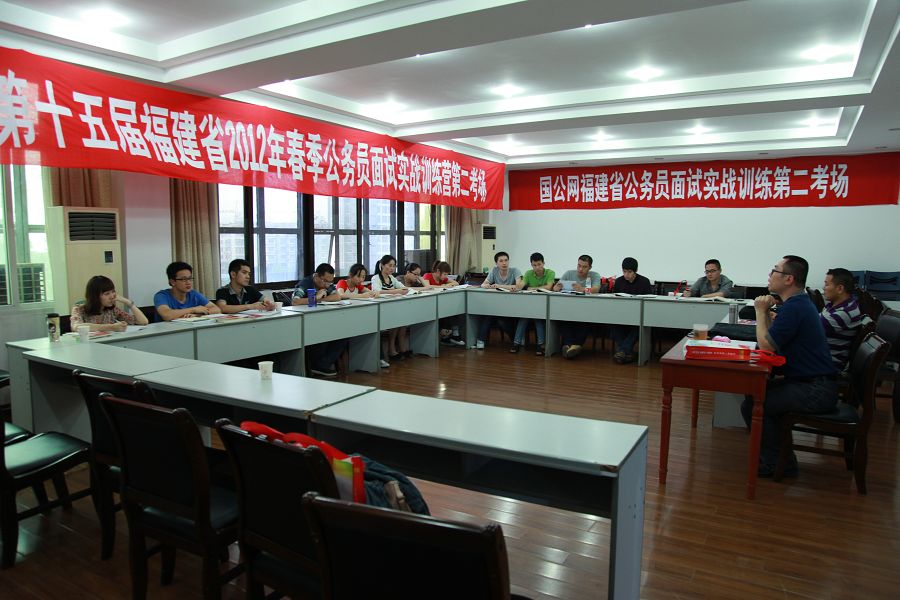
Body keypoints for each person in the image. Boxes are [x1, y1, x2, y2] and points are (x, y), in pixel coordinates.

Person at [742, 255, 838, 478]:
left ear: (789, 279)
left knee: (756, 405)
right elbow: (771, 341)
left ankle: (776, 463)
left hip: (815, 389)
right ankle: (781, 459)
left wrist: (759, 311)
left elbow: (766, 346)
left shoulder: (796, 307)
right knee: (754, 397)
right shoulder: (797, 304)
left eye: (774, 270)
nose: (770, 274)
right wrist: (767, 315)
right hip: (813, 383)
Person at [291, 263, 349, 377]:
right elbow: (295, 301)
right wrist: (315, 297)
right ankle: (319, 366)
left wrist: (320, 300)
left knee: (343, 335)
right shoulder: (305, 283)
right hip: (304, 323)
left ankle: (321, 365)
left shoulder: (327, 284)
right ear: (317, 276)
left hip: (320, 319)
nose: (327, 285)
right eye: (325, 281)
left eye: (330, 282)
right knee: (324, 334)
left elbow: (337, 296)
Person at [820, 267, 872, 371]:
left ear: (840, 288)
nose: (823, 287)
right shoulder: (834, 305)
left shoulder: (844, 314)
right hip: (820, 356)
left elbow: (807, 324)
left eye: (827, 284)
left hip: (826, 364)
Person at [553, 254, 602, 359]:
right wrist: (556, 287)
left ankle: (568, 346)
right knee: (561, 317)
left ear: (590, 267)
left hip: (586, 309)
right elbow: (555, 287)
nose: (580, 269)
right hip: (568, 308)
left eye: (584, 267)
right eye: (579, 266)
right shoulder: (568, 273)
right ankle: (573, 346)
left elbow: (596, 289)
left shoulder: (594, 275)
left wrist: (582, 289)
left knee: (585, 320)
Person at [611, 257, 653, 364]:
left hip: (638, 315)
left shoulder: (644, 281)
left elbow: (649, 302)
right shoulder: (619, 281)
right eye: (624, 271)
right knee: (613, 324)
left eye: (629, 272)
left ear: (635, 271)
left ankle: (623, 351)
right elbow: (614, 300)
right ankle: (627, 352)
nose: (626, 275)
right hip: (622, 314)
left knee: (639, 326)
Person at [511, 252, 555, 355]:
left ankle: (540, 345)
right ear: (531, 265)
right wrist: (516, 288)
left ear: (543, 263)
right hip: (530, 305)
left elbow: (549, 287)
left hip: (545, 306)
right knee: (523, 318)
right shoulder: (528, 273)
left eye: (539, 264)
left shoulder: (550, 273)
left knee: (537, 319)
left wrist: (531, 288)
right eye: (534, 265)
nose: (537, 267)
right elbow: (521, 285)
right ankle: (516, 344)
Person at [475, 252, 521, 349]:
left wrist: (499, 285)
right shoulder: (494, 270)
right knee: (488, 315)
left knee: (501, 321)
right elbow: (483, 284)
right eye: (501, 261)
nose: (504, 263)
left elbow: (518, 286)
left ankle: (515, 339)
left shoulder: (515, 270)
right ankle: (480, 340)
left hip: (511, 304)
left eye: (506, 260)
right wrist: (488, 286)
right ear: (496, 263)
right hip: (496, 304)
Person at [70, 275, 149, 331]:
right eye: (107, 294)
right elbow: (76, 327)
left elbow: (143, 321)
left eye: (113, 292)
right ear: (95, 296)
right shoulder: (79, 309)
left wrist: (128, 302)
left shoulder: (112, 310)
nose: (112, 296)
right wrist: (111, 327)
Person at [370, 255, 409, 366]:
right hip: (380, 309)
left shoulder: (392, 278)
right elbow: (377, 292)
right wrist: (395, 291)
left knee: (401, 320)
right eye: (390, 265)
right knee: (395, 320)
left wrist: (392, 291)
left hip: (392, 307)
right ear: (382, 265)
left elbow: (404, 289)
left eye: (394, 266)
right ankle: (391, 350)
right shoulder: (376, 278)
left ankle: (394, 349)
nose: (392, 268)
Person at [155, 261, 221, 321]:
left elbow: (217, 309)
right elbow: (166, 315)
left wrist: (198, 314)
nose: (188, 282)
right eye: (184, 279)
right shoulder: (162, 296)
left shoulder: (193, 294)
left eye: (190, 278)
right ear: (172, 282)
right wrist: (193, 310)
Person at [423, 261, 465, 346]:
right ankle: (448, 335)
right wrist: (443, 286)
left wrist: (449, 285)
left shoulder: (443, 278)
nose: (446, 276)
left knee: (454, 311)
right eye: (445, 274)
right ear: (438, 271)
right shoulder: (428, 275)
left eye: (447, 274)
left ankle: (451, 335)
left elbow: (456, 283)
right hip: (428, 305)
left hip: (440, 304)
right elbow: (427, 287)